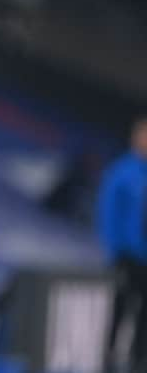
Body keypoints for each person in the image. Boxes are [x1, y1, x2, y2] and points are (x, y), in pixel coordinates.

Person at [98, 117, 147, 373]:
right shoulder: (122, 172)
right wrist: (115, 251)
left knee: (143, 316)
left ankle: (139, 361)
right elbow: (108, 214)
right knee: (119, 308)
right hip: (126, 255)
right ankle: (106, 359)